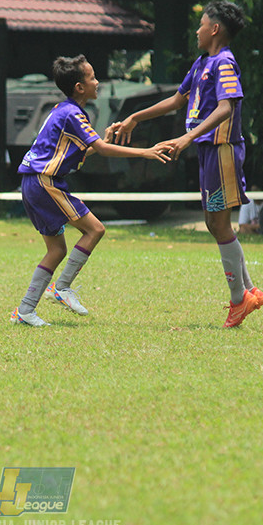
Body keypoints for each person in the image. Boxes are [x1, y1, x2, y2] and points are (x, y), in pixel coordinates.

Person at [111, 0, 263, 328]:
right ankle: (249, 291)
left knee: (219, 225)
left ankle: (239, 300)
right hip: (208, 151)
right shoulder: (201, 63)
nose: (197, 30)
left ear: (215, 29)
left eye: (201, 24)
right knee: (214, 224)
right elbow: (176, 100)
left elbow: (226, 108)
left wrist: (186, 138)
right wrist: (135, 117)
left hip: (222, 150)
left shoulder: (224, 62)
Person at [11, 55, 170, 326]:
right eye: (93, 78)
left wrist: (102, 140)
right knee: (95, 230)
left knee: (56, 250)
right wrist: (146, 152)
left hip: (35, 182)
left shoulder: (64, 110)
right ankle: (62, 288)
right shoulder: (72, 113)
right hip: (45, 182)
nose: (98, 83)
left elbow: (84, 153)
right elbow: (102, 150)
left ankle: (25, 310)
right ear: (79, 87)